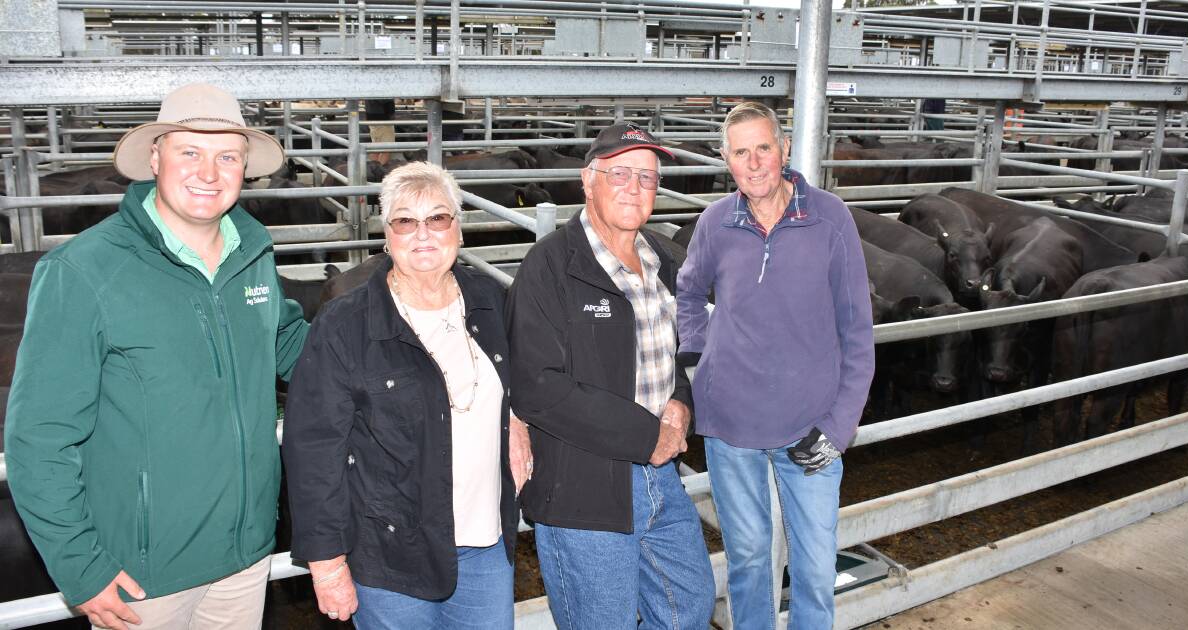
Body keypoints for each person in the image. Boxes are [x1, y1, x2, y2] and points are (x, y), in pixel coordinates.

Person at [4, 82, 310, 629]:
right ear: (154, 158)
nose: (208, 172)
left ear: (245, 168)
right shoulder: (84, 271)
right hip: (141, 578)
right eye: (189, 151)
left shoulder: (253, 252)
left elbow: (290, 345)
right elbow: (39, 435)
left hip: (244, 557)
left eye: (227, 156)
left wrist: (402, 345)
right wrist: (81, 566)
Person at [281, 161, 531, 629]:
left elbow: (517, 380)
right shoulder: (344, 323)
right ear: (385, 234)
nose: (423, 234)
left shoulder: (490, 301)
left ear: (457, 228)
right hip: (391, 555)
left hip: (485, 547)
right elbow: (314, 448)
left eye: (437, 218)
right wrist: (328, 563)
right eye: (405, 221)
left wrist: (516, 420)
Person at [507, 122, 715, 629]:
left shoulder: (665, 259)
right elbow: (538, 386)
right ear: (587, 179)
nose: (634, 187)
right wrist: (648, 436)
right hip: (584, 487)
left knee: (688, 604)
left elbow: (682, 350)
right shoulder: (550, 266)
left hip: (660, 478)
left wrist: (682, 402)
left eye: (647, 177)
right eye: (619, 173)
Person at [675, 101, 874, 629]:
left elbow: (858, 335)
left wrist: (838, 427)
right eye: (741, 152)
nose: (755, 161)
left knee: (814, 567)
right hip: (730, 427)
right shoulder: (715, 222)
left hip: (811, 429)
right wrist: (697, 356)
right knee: (749, 561)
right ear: (726, 160)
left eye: (764, 147)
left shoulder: (831, 219)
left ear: (784, 149)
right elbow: (688, 292)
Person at [364, 98, 397, 165]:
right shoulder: (381, 89)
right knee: (387, 148)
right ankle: (379, 171)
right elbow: (385, 99)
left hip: (372, 118)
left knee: (376, 147)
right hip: (383, 119)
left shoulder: (368, 88)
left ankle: (373, 168)